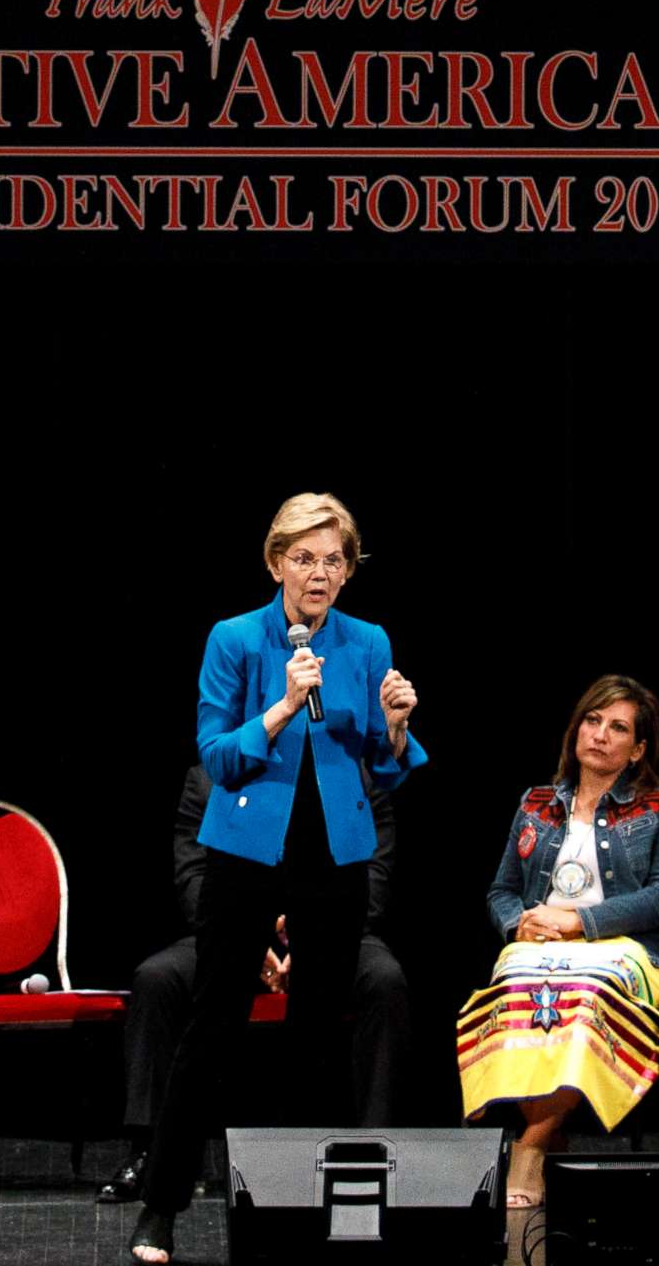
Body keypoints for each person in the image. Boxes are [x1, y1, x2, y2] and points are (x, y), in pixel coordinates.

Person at [128, 492, 427, 1266]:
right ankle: (159, 1209)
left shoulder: (367, 642)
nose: (320, 573)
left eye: (335, 560)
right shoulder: (236, 638)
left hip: (336, 854)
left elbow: (381, 760)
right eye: (305, 558)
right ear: (275, 563)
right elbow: (216, 753)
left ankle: (300, 1207)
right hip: (247, 851)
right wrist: (283, 704)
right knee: (211, 1027)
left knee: (318, 1036)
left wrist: (395, 724)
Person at [95, 762, 413, 1205]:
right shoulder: (210, 778)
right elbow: (192, 875)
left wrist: (312, 941)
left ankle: (373, 1149)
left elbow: (375, 875)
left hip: (337, 931)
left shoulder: (352, 778)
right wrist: (248, 940)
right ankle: (149, 1150)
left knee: (385, 980)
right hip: (229, 930)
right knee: (156, 979)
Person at [457, 675, 659, 1209]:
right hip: (540, 946)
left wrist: (577, 924)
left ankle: (531, 1146)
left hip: (628, 951)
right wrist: (519, 924)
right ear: (576, 729)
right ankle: (552, 1127)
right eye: (592, 720)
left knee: (584, 992)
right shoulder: (537, 802)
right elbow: (502, 890)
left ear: (637, 750)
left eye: (618, 728)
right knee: (516, 985)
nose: (600, 735)